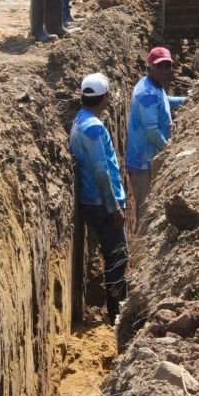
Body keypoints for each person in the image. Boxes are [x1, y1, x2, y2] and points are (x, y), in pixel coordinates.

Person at [69, 73, 128, 324]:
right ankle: (117, 311)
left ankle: (116, 306)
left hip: (94, 201)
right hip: (101, 203)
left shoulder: (81, 120)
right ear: (103, 98)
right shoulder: (93, 128)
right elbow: (101, 172)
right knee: (118, 257)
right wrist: (114, 207)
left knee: (114, 256)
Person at [125, 47, 185, 229]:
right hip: (144, 164)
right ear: (149, 68)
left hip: (149, 158)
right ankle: (141, 246)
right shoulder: (147, 95)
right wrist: (169, 152)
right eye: (161, 67)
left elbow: (164, 101)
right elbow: (151, 131)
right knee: (146, 213)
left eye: (169, 66)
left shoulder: (154, 86)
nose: (166, 71)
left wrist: (187, 100)